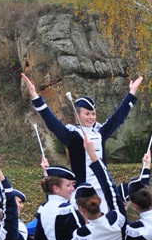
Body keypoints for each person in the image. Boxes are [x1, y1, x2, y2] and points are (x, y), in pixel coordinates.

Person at [22, 73, 142, 211]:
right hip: (83, 191)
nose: (91, 117)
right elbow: (52, 122)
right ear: (77, 115)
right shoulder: (72, 135)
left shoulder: (100, 132)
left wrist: (131, 93)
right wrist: (35, 96)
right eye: (87, 114)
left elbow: (118, 118)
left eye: (93, 114)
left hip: (104, 190)